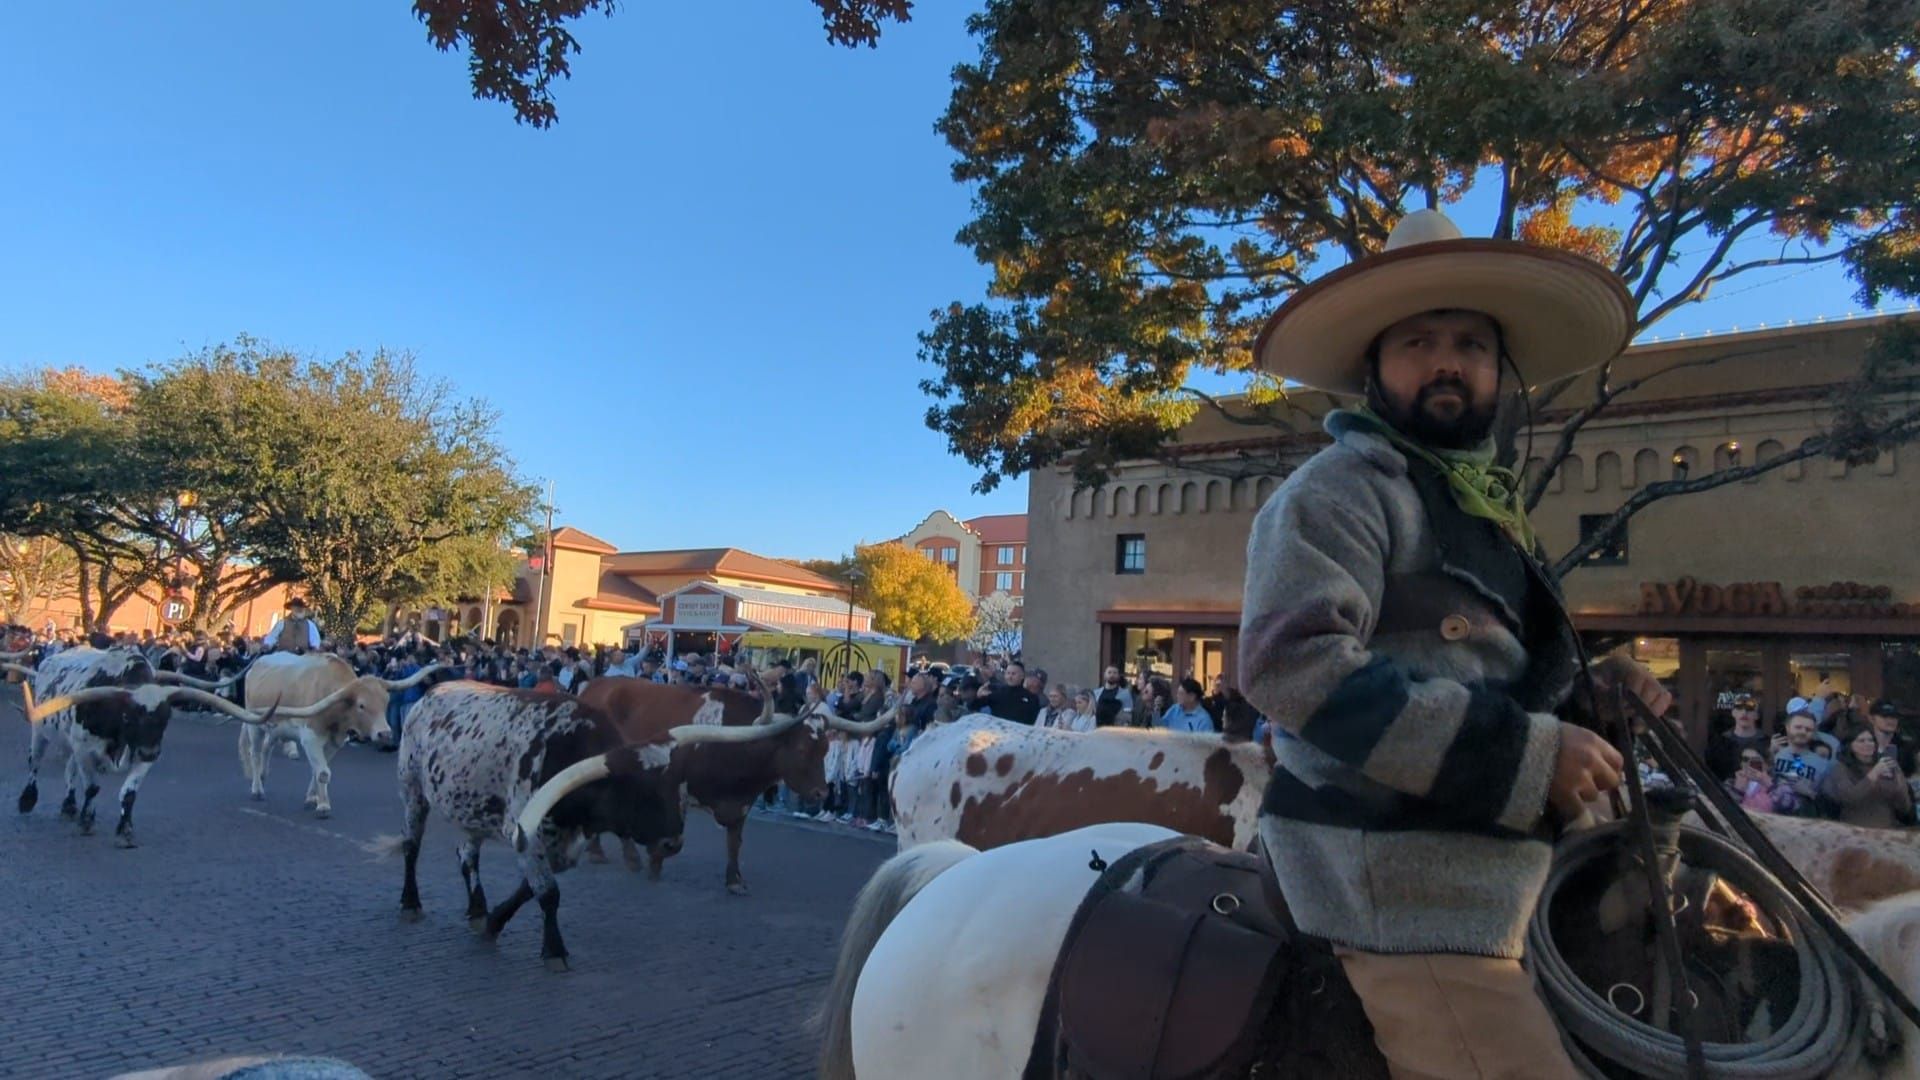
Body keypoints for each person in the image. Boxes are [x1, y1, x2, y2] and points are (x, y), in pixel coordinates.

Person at [1239, 208, 1669, 1079]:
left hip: (1513, 858)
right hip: (1396, 873)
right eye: (1419, 341)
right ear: (1375, 368)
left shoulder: (1487, 506)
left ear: (1498, 370)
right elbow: (1292, 666)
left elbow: (1497, 681)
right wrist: (1529, 753)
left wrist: (1591, 697)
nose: (1447, 361)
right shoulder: (1338, 491)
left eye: (1471, 343)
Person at [1820, 725, 1916, 828]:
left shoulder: (1888, 765)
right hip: (1853, 828)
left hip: (1887, 827)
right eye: (1861, 741)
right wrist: (1874, 773)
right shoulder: (1840, 769)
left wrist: (1899, 784)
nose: (1868, 744)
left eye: (1871, 740)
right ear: (1850, 745)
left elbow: (1905, 807)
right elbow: (1850, 798)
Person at [1770, 710, 1832, 815]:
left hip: (1803, 818)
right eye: (1798, 727)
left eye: (1808, 729)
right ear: (1787, 727)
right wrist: (1770, 755)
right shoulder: (1774, 754)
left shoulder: (1822, 764)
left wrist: (1810, 793)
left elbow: (1828, 801)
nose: (1803, 732)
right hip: (1770, 814)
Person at [1706, 695, 1770, 782]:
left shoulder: (1767, 742)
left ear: (1757, 715)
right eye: (1739, 709)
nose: (1744, 712)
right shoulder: (1720, 742)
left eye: (1749, 709)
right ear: (1733, 713)